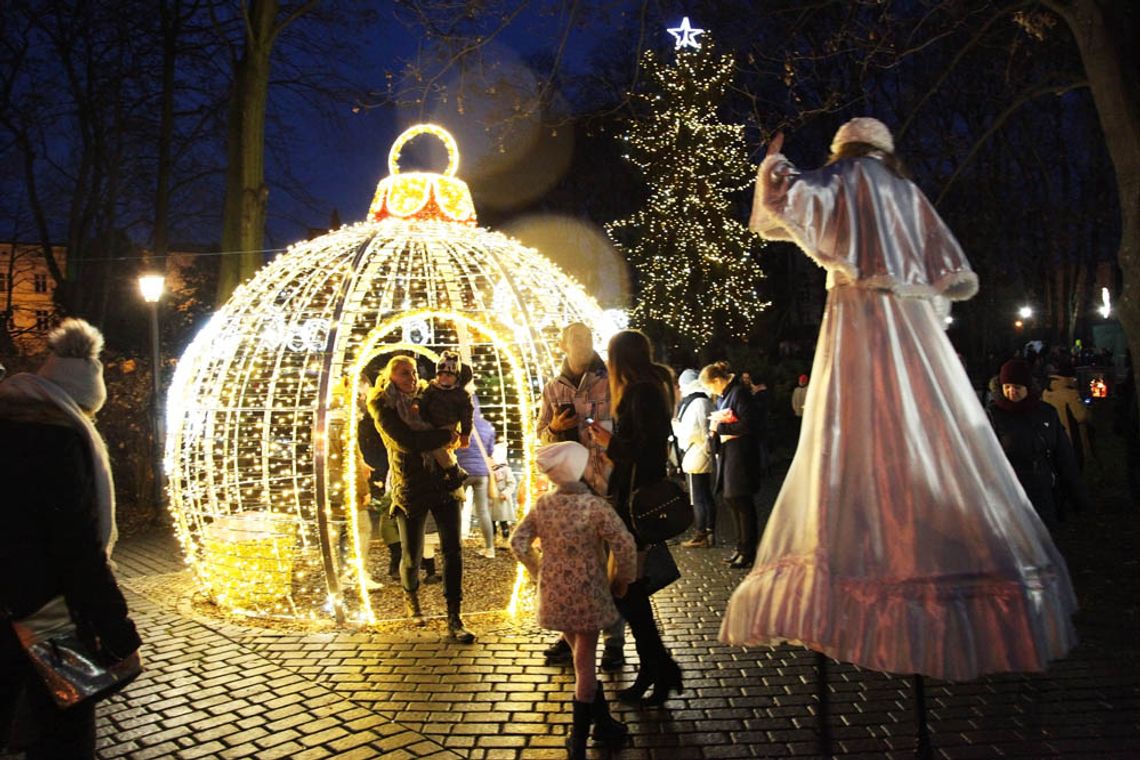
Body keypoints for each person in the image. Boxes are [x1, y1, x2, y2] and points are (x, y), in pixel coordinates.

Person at [720, 118, 1077, 681]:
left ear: (845, 148)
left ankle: (850, 572)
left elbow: (787, 196)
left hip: (857, 325)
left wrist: (772, 162)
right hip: (912, 332)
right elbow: (941, 274)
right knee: (927, 428)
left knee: (846, 432)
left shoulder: (841, 179)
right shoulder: (905, 192)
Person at [0, 319, 142, 758]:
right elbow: (78, 548)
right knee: (65, 728)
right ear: (83, 401)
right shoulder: (57, 441)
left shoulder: (10, 419)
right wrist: (117, 633)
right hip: (43, 614)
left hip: (10, 602)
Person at [510, 442, 637, 759]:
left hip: (554, 594)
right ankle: (578, 742)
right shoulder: (594, 506)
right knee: (584, 666)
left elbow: (518, 542)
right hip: (588, 594)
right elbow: (624, 542)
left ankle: (603, 722)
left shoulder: (543, 506)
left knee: (581, 658)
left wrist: (538, 569)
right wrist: (623, 577)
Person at [587, 329, 683, 705]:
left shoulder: (641, 391)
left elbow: (648, 450)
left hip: (635, 503)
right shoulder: (646, 387)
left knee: (627, 590)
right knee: (629, 590)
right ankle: (657, 669)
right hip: (630, 500)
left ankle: (660, 668)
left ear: (620, 359)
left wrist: (612, 444)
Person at [536, 322, 625, 670]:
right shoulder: (552, 388)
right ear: (563, 345)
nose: (583, 345)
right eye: (576, 339)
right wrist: (555, 428)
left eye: (588, 339)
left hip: (604, 483)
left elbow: (624, 427)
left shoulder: (610, 381)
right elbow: (541, 433)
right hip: (569, 488)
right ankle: (568, 636)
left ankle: (613, 641)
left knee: (606, 565)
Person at [369, 355, 475, 643]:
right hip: (411, 485)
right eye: (404, 373)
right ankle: (411, 596)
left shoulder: (429, 397)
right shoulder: (384, 405)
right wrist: (444, 435)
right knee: (412, 554)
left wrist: (455, 431)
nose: (411, 378)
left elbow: (456, 410)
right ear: (390, 377)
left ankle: (454, 616)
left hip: (444, 480)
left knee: (453, 550)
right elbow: (407, 442)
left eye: (414, 372)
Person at [989, 358, 1089, 530]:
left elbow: (1064, 456)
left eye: (1018, 387)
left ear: (1028, 387)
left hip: (1043, 490)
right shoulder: (993, 416)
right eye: (1008, 387)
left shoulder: (1046, 413)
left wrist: (1077, 496)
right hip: (1010, 493)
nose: (1012, 392)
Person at [699, 362, 761, 569]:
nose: (710, 391)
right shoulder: (724, 396)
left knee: (740, 499)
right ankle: (740, 547)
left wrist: (721, 427)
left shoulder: (739, 393)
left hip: (741, 455)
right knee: (731, 498)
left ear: (717, 380)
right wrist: (714, 431)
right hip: (729, 453)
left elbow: (749, 423)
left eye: (709, 386)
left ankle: (748, 550)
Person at [418, 351, 474, 489]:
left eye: (448, 375)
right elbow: (423, 401)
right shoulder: (431, 389)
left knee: (438, 449)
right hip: (431, 427)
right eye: (440, 374)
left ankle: (454, 472)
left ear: (456, 377)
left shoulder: (460, 395)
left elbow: (466, 415)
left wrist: (465, 434)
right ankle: (449, 473)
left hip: (449, 427)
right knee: (436, 452)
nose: (443, 378)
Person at [673, 369, 716, 548]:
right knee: (706, 495)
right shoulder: (704, 400)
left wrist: (676, 426)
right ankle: (710, 531)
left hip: (696, 454)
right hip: (703, 453)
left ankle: (701, 534)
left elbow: (691, 431)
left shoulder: (695, 403)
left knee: (698, 497)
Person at [456, 393, 497, 558]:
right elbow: (489, 452)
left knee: (457, 510)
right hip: (482, 473)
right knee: (483, 510)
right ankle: (490, 548)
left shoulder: (459, 425)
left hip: (462, 472)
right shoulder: (487, 426)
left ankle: (455, 547)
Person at [1042, 361, 1092, 470]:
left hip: (1052, 437)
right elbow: (1081, 416)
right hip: (1072, 438)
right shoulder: (1070, 393)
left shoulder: (1047, 391)